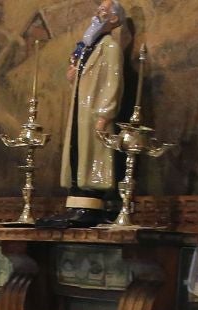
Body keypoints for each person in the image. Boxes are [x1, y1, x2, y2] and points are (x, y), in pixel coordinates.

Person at [55, 0, 128, 224]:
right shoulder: (88, 48)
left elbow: (113, 83)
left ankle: (91, 203)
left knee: (91, 155)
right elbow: (87, 78)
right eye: (98, 10)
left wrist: (105, 114)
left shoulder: (111, 48)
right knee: (77, 152)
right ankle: (77, 201)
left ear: (114, 19)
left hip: (95, 112)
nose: (98, 14)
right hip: (81, 109)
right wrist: (73, 75)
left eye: (103, 11)